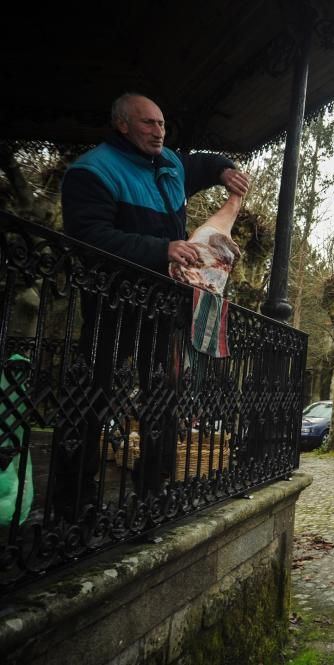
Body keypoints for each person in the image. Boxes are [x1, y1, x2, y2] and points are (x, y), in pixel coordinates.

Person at [58, 93, 249, 511]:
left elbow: (200, 161)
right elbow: (88, 238)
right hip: (112, 302)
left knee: (162, 393)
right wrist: (160, 249)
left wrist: (225, 171)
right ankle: (74, 495)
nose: (158, 131)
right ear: (122, 125)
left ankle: (153, 485)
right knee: (95, 393)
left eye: (161, 123)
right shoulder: (93, 171)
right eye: (147, 123)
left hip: (161, 306)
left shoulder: (171, 163)